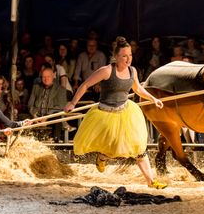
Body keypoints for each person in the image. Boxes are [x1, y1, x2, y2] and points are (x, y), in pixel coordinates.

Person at [64, 36, 167, 189]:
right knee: (111, 150)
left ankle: (151, 182)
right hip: (105, 115)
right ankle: (102, 157)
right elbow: (85, 85)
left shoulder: (133, 71)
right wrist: (73, 102)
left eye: (130, 55)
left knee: (139, 148)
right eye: (124, 56)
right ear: (116, 57)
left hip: (126, 113)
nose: (128, 59)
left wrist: (153, 98)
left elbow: (138, 89)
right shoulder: (106, 71)